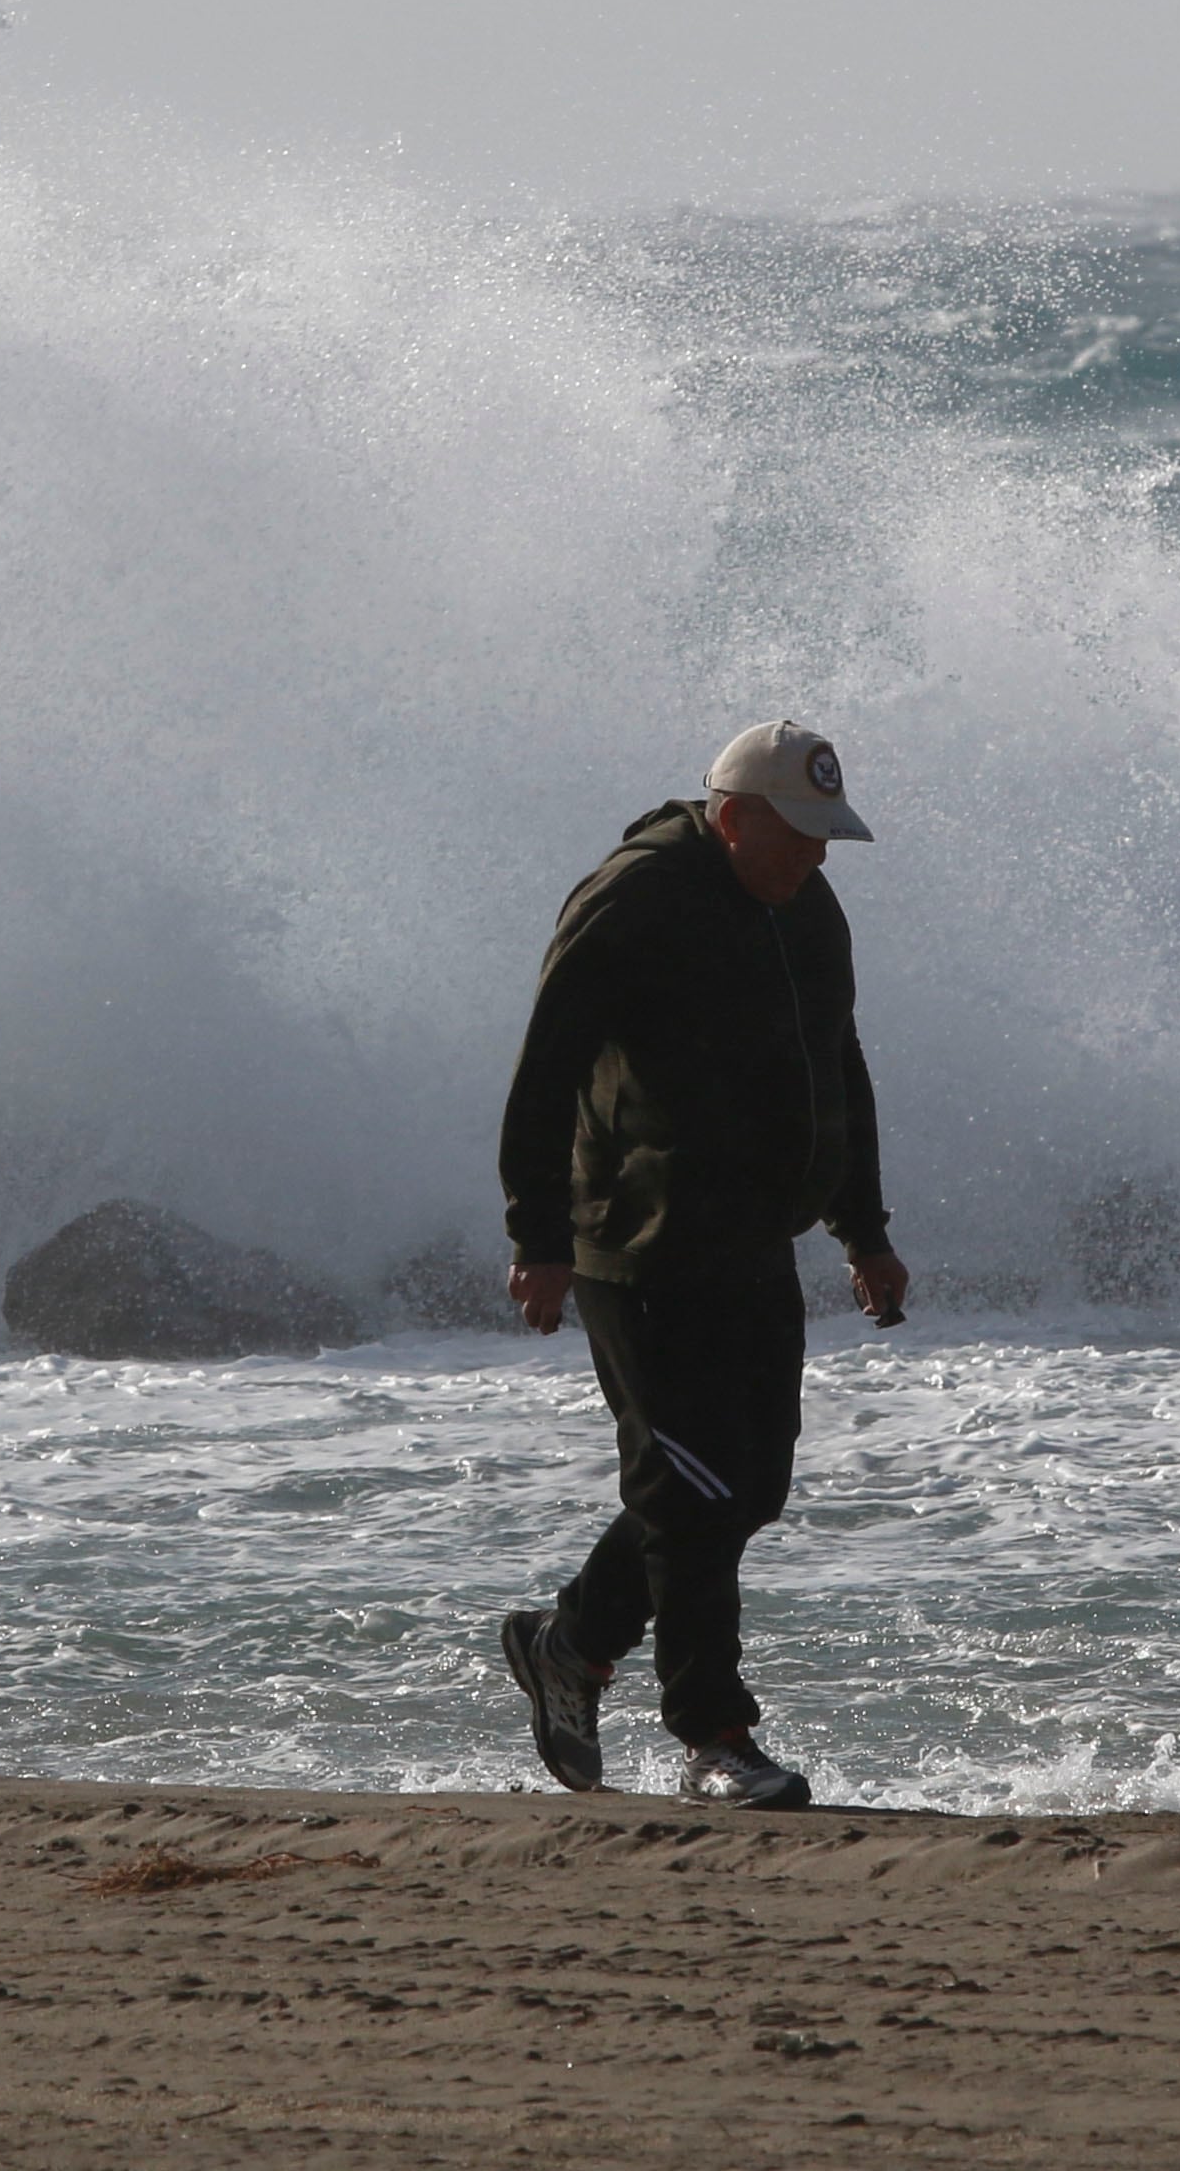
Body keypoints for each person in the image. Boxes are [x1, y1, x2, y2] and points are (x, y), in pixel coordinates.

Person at [491, 719, 912, 1808]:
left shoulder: (804, 908)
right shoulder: (634, 900)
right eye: (801, 834)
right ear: (734, 818)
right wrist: (535, 1235)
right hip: (635, 1239)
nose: (817, 856)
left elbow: (839, 1068)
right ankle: (713, 1736)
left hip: (749, 1237)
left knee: (745, 1483)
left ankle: (570, 1644)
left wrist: (861, 1229)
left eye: (827, 836)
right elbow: (545, 1064)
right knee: (689, 1487)